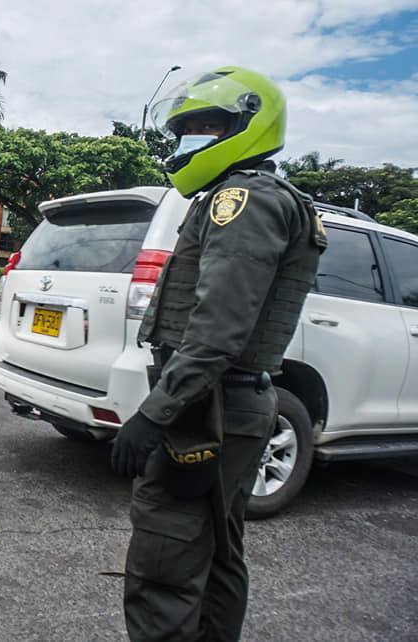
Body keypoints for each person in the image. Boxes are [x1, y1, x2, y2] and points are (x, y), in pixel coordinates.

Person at [109, 67, 327, 641]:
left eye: (207, 126)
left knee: (165, 564)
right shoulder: (258, 196)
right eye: (187, 129)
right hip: (231, 403)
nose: (192, 141)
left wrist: (154, 415)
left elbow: (216, 332)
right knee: (216, 553)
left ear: (248, 125)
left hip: (208, 409)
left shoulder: (243, 199)